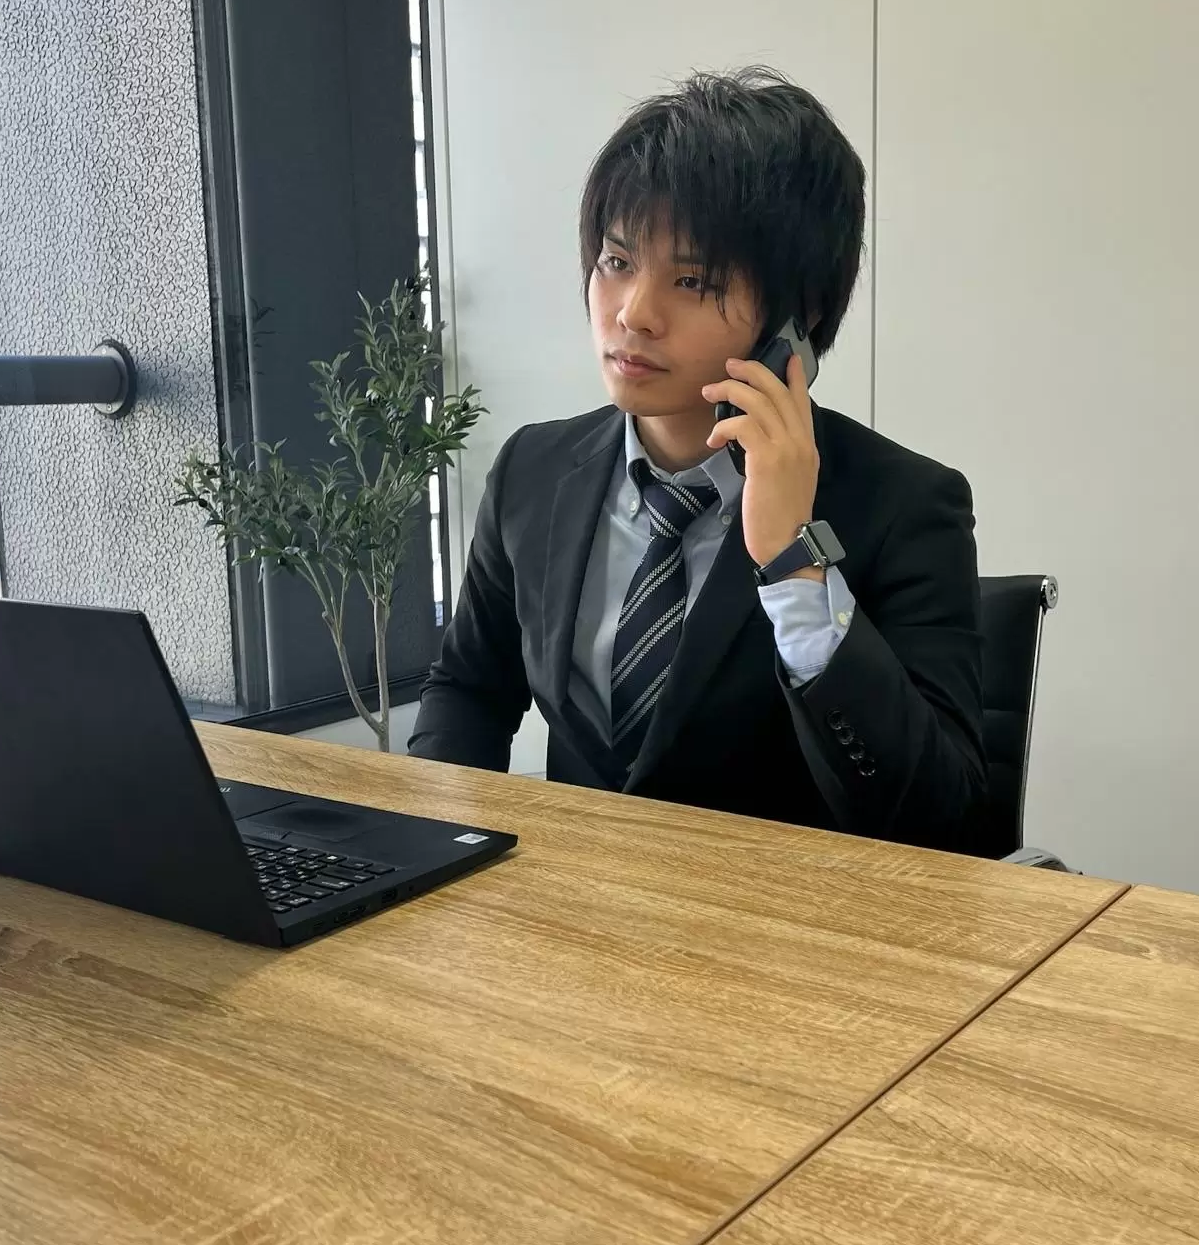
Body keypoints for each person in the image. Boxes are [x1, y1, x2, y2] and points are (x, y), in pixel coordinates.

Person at [409, 67, 986, 852]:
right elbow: (469, 690)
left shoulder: (905, 505)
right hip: (566, 907)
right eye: (617, 262)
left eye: (693, 279)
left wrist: (793, 559)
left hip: (776, 919)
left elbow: (940, 819)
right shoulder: (533, 470)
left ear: (796, 317)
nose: (634, 313)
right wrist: (436, 855)